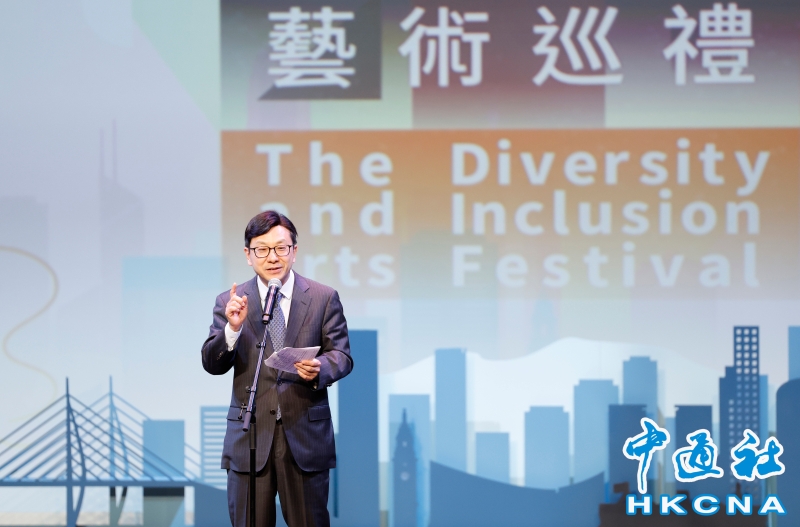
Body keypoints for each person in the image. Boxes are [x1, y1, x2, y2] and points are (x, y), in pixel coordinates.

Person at [202, 211, 352, 527]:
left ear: (294, 251)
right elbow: (212, 364)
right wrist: (232, 328)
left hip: (304, 437)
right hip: (249, 437)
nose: (272, 257)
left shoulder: (323, 298)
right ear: (248, 255)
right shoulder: (231, 302)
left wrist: (320, 368)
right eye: (262, 249)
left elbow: (342, 355)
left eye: (281, 248)